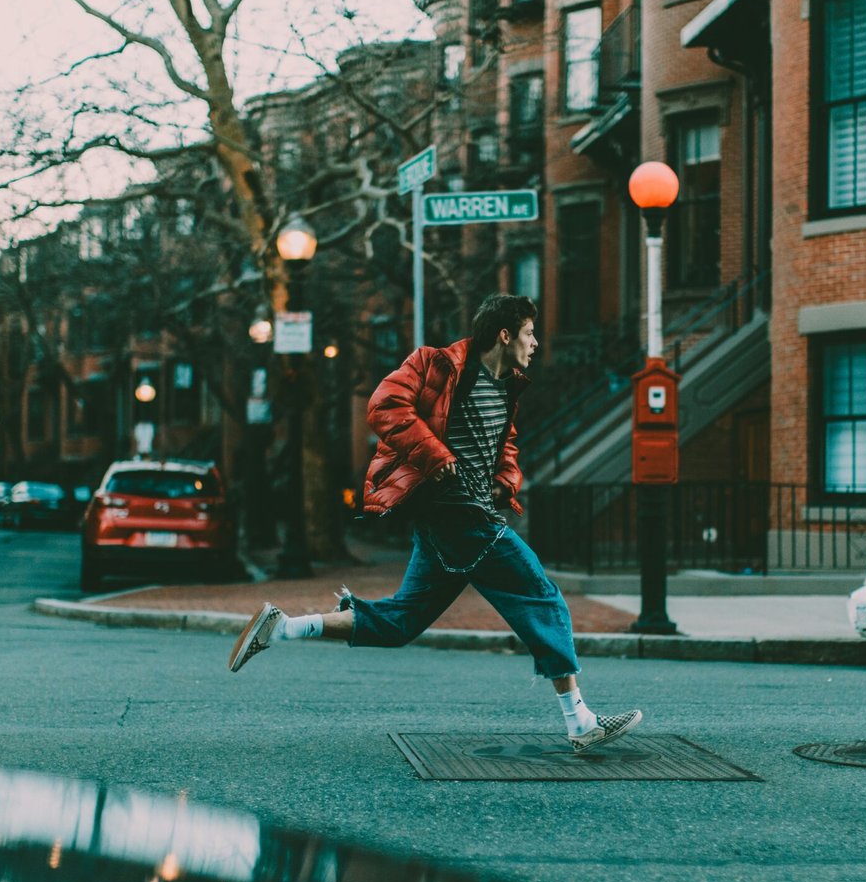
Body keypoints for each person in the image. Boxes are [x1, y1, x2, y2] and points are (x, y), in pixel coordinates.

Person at [229, 293, 642, 752]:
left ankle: (283, 627)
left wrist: (504, 481)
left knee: (400, 623)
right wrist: (435, 455)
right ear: (504, 335)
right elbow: (384, 405)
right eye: (529, 333)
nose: (536, 343)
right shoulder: (435, 365)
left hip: (447, 525)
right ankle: (580, 722)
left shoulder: (506, 386)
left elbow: (503, 444)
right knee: (542, 599)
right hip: (462, 518)